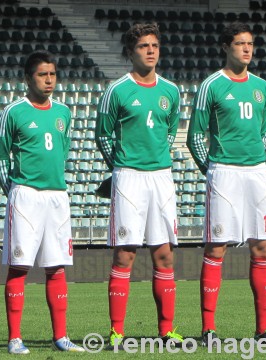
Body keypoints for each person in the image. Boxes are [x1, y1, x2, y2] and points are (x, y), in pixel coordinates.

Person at [186, 22, 266, 345]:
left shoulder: (262, 88)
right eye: (240, 43)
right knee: (217, 247)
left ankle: (263, 329)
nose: (246, 49)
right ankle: (209, 329)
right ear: (226, 47)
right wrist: (210, 169)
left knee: (263, 246)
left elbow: (262, 129)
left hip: (256, 172)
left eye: (250, 44)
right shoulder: (211, 85)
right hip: (223, 172)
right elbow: (195, 135)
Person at [0, 51, 85, 354]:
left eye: (53, 74)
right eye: (42, 75)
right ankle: (14, 337)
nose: (49, 80)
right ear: (28, 78)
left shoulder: (64, 112)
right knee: (19, 267)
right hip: (26, 195)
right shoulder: (14, 112)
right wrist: (15, 191)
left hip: (57, 196)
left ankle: (61, 336)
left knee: (56, 267)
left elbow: (64, 149)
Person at [95, 23, 182, 347]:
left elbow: (170, 130)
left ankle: (166, 330)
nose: (150, 51)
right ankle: (117, 331)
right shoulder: (117, 91)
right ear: (131, 52)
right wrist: (120, 165)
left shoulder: (170, 91)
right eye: (143, 46)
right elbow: (103, 135)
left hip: (161, 178)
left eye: (154, 46)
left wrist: (155, 157)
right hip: (128, 178)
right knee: (125, 255)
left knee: (164, 256)